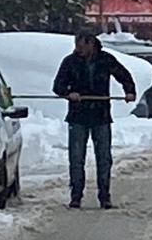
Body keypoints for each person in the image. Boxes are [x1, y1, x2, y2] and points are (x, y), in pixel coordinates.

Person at [53, 32, 137, 209]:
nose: (78, 50)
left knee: (104, 158)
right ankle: (76, 196)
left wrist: (129, 91)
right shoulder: (70, 62)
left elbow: (123, 75)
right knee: (76, 159)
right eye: (77, 46)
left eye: (82, 46)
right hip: (78, 116)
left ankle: (104, 196)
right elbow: (58, 86)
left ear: (91, 44)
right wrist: (68, 93)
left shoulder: (106, 59)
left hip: (101, 115)